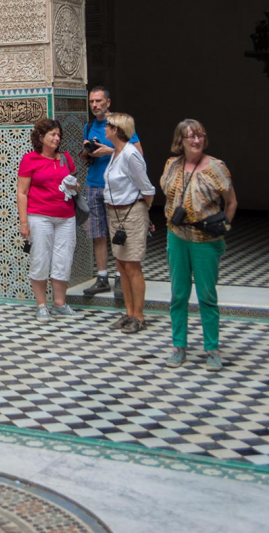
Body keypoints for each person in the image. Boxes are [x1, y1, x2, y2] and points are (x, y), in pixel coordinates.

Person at [161, 119, 237, 371]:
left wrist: (223, 226)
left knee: (207, 295)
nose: (196, 141)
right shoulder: (172, 165)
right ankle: (178, 345)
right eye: (190, 137)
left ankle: (212, 349)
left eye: (200, 136)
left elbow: (231, 202)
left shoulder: (217, 168)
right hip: (177, 236)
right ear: (180, 141)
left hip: (206, 240)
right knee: (178, 294)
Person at [80, 87, 142, 298]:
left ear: (108, 102)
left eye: (98, 101)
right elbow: (90, 157)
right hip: (93, 183)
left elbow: (138, 156)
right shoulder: (88, 126)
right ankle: (102, 277)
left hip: (117, 187)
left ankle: (120, 277)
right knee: (97, 233)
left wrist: (110, 150)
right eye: (91, 102)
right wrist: (87, 154)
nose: (95, 105)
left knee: (118, 232)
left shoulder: (121, 125)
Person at [17, 118, 79, 321]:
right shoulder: (30, 160)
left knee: (63, 260)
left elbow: (75, 185)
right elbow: (22, 192)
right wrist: (24, 222)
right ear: (41, 137)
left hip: (66, 217)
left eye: (58, 134)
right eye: (52, 134)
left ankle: (60, 303)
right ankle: (41, 304)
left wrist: (73, 186)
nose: (57, 138)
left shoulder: (65, 158)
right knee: (41, 259)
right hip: (39, 217)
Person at [102, 112, 155, 333]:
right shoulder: (116, 153)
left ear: (116, 130)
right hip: (115, 215)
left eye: (108, 126)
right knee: (121, 264)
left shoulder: (131, 155)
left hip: (131, 213)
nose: (105, 129)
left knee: (132, 264)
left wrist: (143, 211)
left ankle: (139, 316)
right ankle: (129, 312)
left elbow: (147, 188)